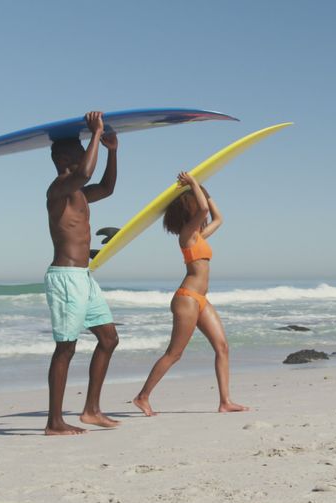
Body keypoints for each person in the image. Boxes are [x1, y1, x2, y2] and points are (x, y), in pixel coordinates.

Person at [132, 172, 249, 416]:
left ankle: (225, 401)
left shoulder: (199, 236)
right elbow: (204, 212)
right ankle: (142, 397)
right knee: (175, 353)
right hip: (186, 299)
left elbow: (218, 218)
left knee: (222, 347)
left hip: (201, 300)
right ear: (189, 209)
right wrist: (194, 184)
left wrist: (205, 192)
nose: (200, 205)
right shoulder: (185, 236)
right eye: (197, 201)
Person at [43, 111, 120, 435]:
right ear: (63, 158)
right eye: (78, 149)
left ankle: (91, 410)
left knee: (109, 338)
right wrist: (95, 133)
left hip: (84, 277)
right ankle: (54, 422)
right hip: (64, 278)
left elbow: (106, 186)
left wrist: (112, 150)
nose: (83, 154)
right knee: (66, 347)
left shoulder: (80, 194)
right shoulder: (58, 189)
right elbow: (87, 172)